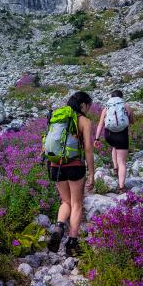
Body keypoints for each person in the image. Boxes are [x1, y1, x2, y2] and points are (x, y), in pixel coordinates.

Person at [47, 91, 94, 257]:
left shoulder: (58, 117)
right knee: (76, 204)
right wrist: (92, 173)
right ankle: (72, 243)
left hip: (55, 165)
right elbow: (88, 149)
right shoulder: (84, 121)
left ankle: (59, 227)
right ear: (82, 105)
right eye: (88, 105)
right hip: (75, 166)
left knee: (65, 201)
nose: (89, 109)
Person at [94, 90, 134, 194]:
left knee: (114, 146)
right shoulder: (126, 106)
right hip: (122, 135)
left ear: (111, 97)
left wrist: (96, 138)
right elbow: (132, 121)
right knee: (123, 162)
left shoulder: (106, 107)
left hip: (109, 136)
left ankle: (115, 167)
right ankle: (121, 187)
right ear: (121, 97)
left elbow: (100, 124)